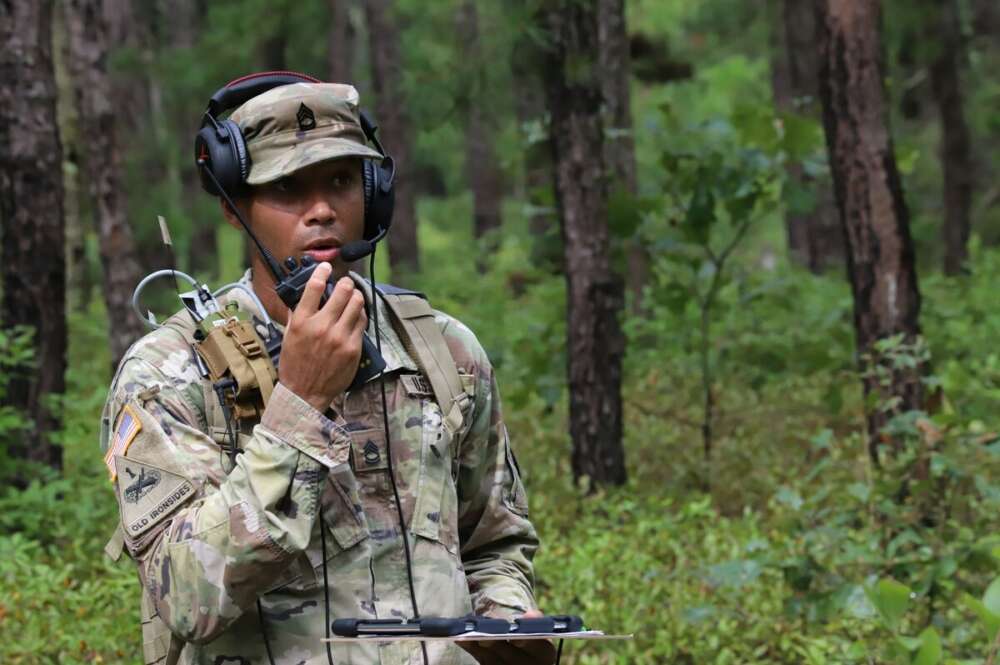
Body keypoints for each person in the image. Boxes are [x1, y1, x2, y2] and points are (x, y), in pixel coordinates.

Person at [99, 74, 555, 665]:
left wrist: (506, 625)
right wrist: (300, 404)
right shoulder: (169, 375)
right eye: (288, 186)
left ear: (375, 193)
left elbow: (495, 543)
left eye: (341, 181)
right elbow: (186, 597)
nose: (321, 211)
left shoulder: (443, 350)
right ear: (235, 208)